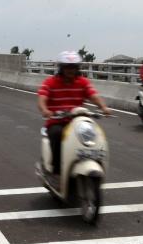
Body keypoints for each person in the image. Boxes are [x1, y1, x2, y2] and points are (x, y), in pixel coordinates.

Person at [37, 51, 110, 186]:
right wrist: (45, 110)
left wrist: (103, 107)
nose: (71, 70)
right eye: (67, 67)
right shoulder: (51, 82)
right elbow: (42, 98)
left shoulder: (82, 82)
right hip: (58, 121)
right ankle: (57, 173)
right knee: (56, 134)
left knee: (94, 134)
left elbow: (93, 95)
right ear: (61, 68)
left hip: (78, 122)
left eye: (73, 67)